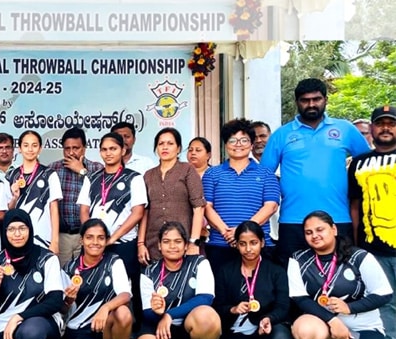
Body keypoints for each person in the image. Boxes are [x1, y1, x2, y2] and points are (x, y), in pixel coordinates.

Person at [261, 78, 370, 265]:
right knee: (291, 278)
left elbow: (368, 166)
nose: (311, 104)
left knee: (341, 277)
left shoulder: (345, 129)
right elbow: (263, 176)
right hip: (293, 220)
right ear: (297, 102)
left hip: (337, 218)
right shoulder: (281, 134)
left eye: (316, 99)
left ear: (325, 99)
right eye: (305, 100)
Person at [289, 211, 392, 339]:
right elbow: (300, 298)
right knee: (304, 329)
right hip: (325, 329)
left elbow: (384, 294)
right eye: (309, 232)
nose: (315, 235)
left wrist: (349, 308)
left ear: (334, 229)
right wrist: (332, 320)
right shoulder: (298, 259)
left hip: (361, 331)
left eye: (320, 229)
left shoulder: (360, 257)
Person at [132, 222, 219, 339]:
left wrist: (169, 315)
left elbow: (206, 297)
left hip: (190, 327)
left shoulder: (199, 263)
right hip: (162, 331)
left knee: (208, 316)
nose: (172, 246)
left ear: (186, 245)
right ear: (159, 245)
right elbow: (147, 312)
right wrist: (157, 312)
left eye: (178, 241)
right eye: (166, 241)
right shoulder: (149, 272)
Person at [78, 132, 147, 318]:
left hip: (123, 243)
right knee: (96, 282)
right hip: (95, 243)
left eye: (113, 149)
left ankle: (134, 327)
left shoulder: (134, 178)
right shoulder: (90, 178)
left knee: (129, 285)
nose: (108, 153)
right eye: (104, 149)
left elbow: (138, 212)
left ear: (123, 150)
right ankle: (95, 323)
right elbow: (84, 210)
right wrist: (90, 236)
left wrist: (112, 238)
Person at [0, 209, 64, 339]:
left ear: (30, 229)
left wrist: (19, 317)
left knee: (30, 333)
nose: (17, 234)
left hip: (40, 324)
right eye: (11, 229)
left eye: (22, 228)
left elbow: (56, 301)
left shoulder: (47, 258)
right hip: (4, 328)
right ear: (4, 231)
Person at [348, 105, 396, 339]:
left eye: (391, 123)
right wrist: (357, 244)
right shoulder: (359, 162)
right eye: (381, 124)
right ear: (373, 129)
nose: (386, 128)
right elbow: (354, 204)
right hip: (373, 247)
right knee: (385, 304)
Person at [212, 221, 295, 339]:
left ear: (262, 243)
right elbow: (217, 306)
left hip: (266, 330)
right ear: (236, 245)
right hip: (237, 333)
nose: (248, 249)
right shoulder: (225, 271)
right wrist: (233, 309)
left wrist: (269, 318)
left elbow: (283, 306)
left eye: (253, 243)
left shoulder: (276, 271)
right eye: (243, 244)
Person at [203, 119, 280, 271]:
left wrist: (242, 232)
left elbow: (271, 206)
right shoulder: (212, 174)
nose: (238, 144)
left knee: (258, 293)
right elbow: (206, 207)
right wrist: (226, 232)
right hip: (220, 244)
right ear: (226, 145)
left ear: (251, 145)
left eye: (244, 140)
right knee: (222, 293)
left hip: (257, 246)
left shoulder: (266, 174)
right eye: (233, 140)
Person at [61, 219, 132, 339]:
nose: (95, 242)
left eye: (100, 238)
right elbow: (62, 310)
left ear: (107, 240)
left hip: (104, 327)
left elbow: (125, 295)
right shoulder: (69, 268)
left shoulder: (114, 261)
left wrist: (105, 308)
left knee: (123, 313)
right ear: (82, 240)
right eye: (89, 237)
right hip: (78, 330)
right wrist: (68, 301)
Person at [138, 128, 206, 264]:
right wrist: (141, 244)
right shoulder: (148, 175)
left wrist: (193, 242)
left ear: (179, 148)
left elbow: (199, 207)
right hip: (153, 244)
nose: (165, 147)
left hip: (183, 243)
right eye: (161, 143)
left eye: (170, 143)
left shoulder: (187, 170)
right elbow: (144, 211)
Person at [48, 128, 103, 266]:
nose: (71, 152)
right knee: (62, 276)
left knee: (87, 275)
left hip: (87, 236)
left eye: (76, 148)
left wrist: (81, 171)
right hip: (62, 235)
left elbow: (101, 190)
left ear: (84, 148)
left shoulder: (97, 168)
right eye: (67, 148)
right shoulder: (53, 169)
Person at [5, 130, 62, 253]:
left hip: (43, 237)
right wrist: (15, 197)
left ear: (40, 149)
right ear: (19, 149)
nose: (30, 149)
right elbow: (8, 211)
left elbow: (54, 209)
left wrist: (55, 241)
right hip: (18, 238)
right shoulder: (11, 176)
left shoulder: (50, 174)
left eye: (34, 145)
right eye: (26, 145)